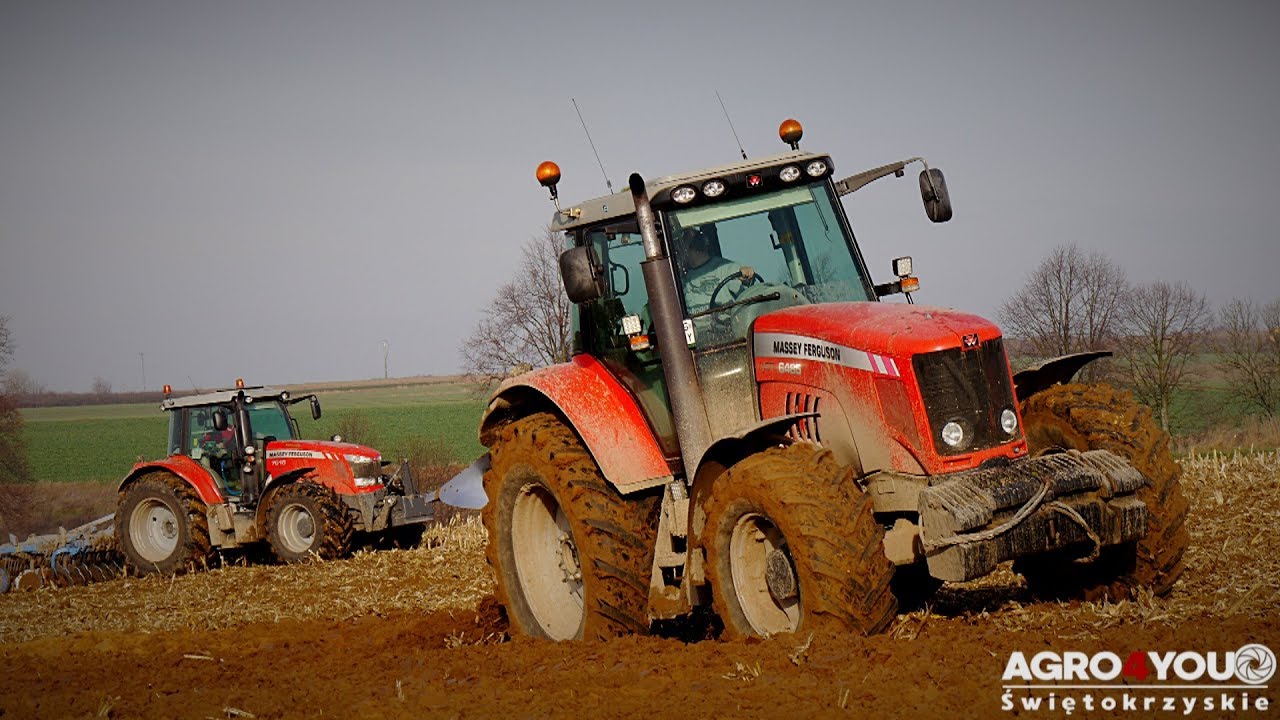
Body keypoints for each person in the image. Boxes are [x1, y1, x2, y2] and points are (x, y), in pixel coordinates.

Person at [672, 226, 755, 315]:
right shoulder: (682, 279)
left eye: (680, 248)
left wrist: (746, 275)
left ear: (688, 249)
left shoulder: (726, 269)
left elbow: (746, 285)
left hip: (725, 326)